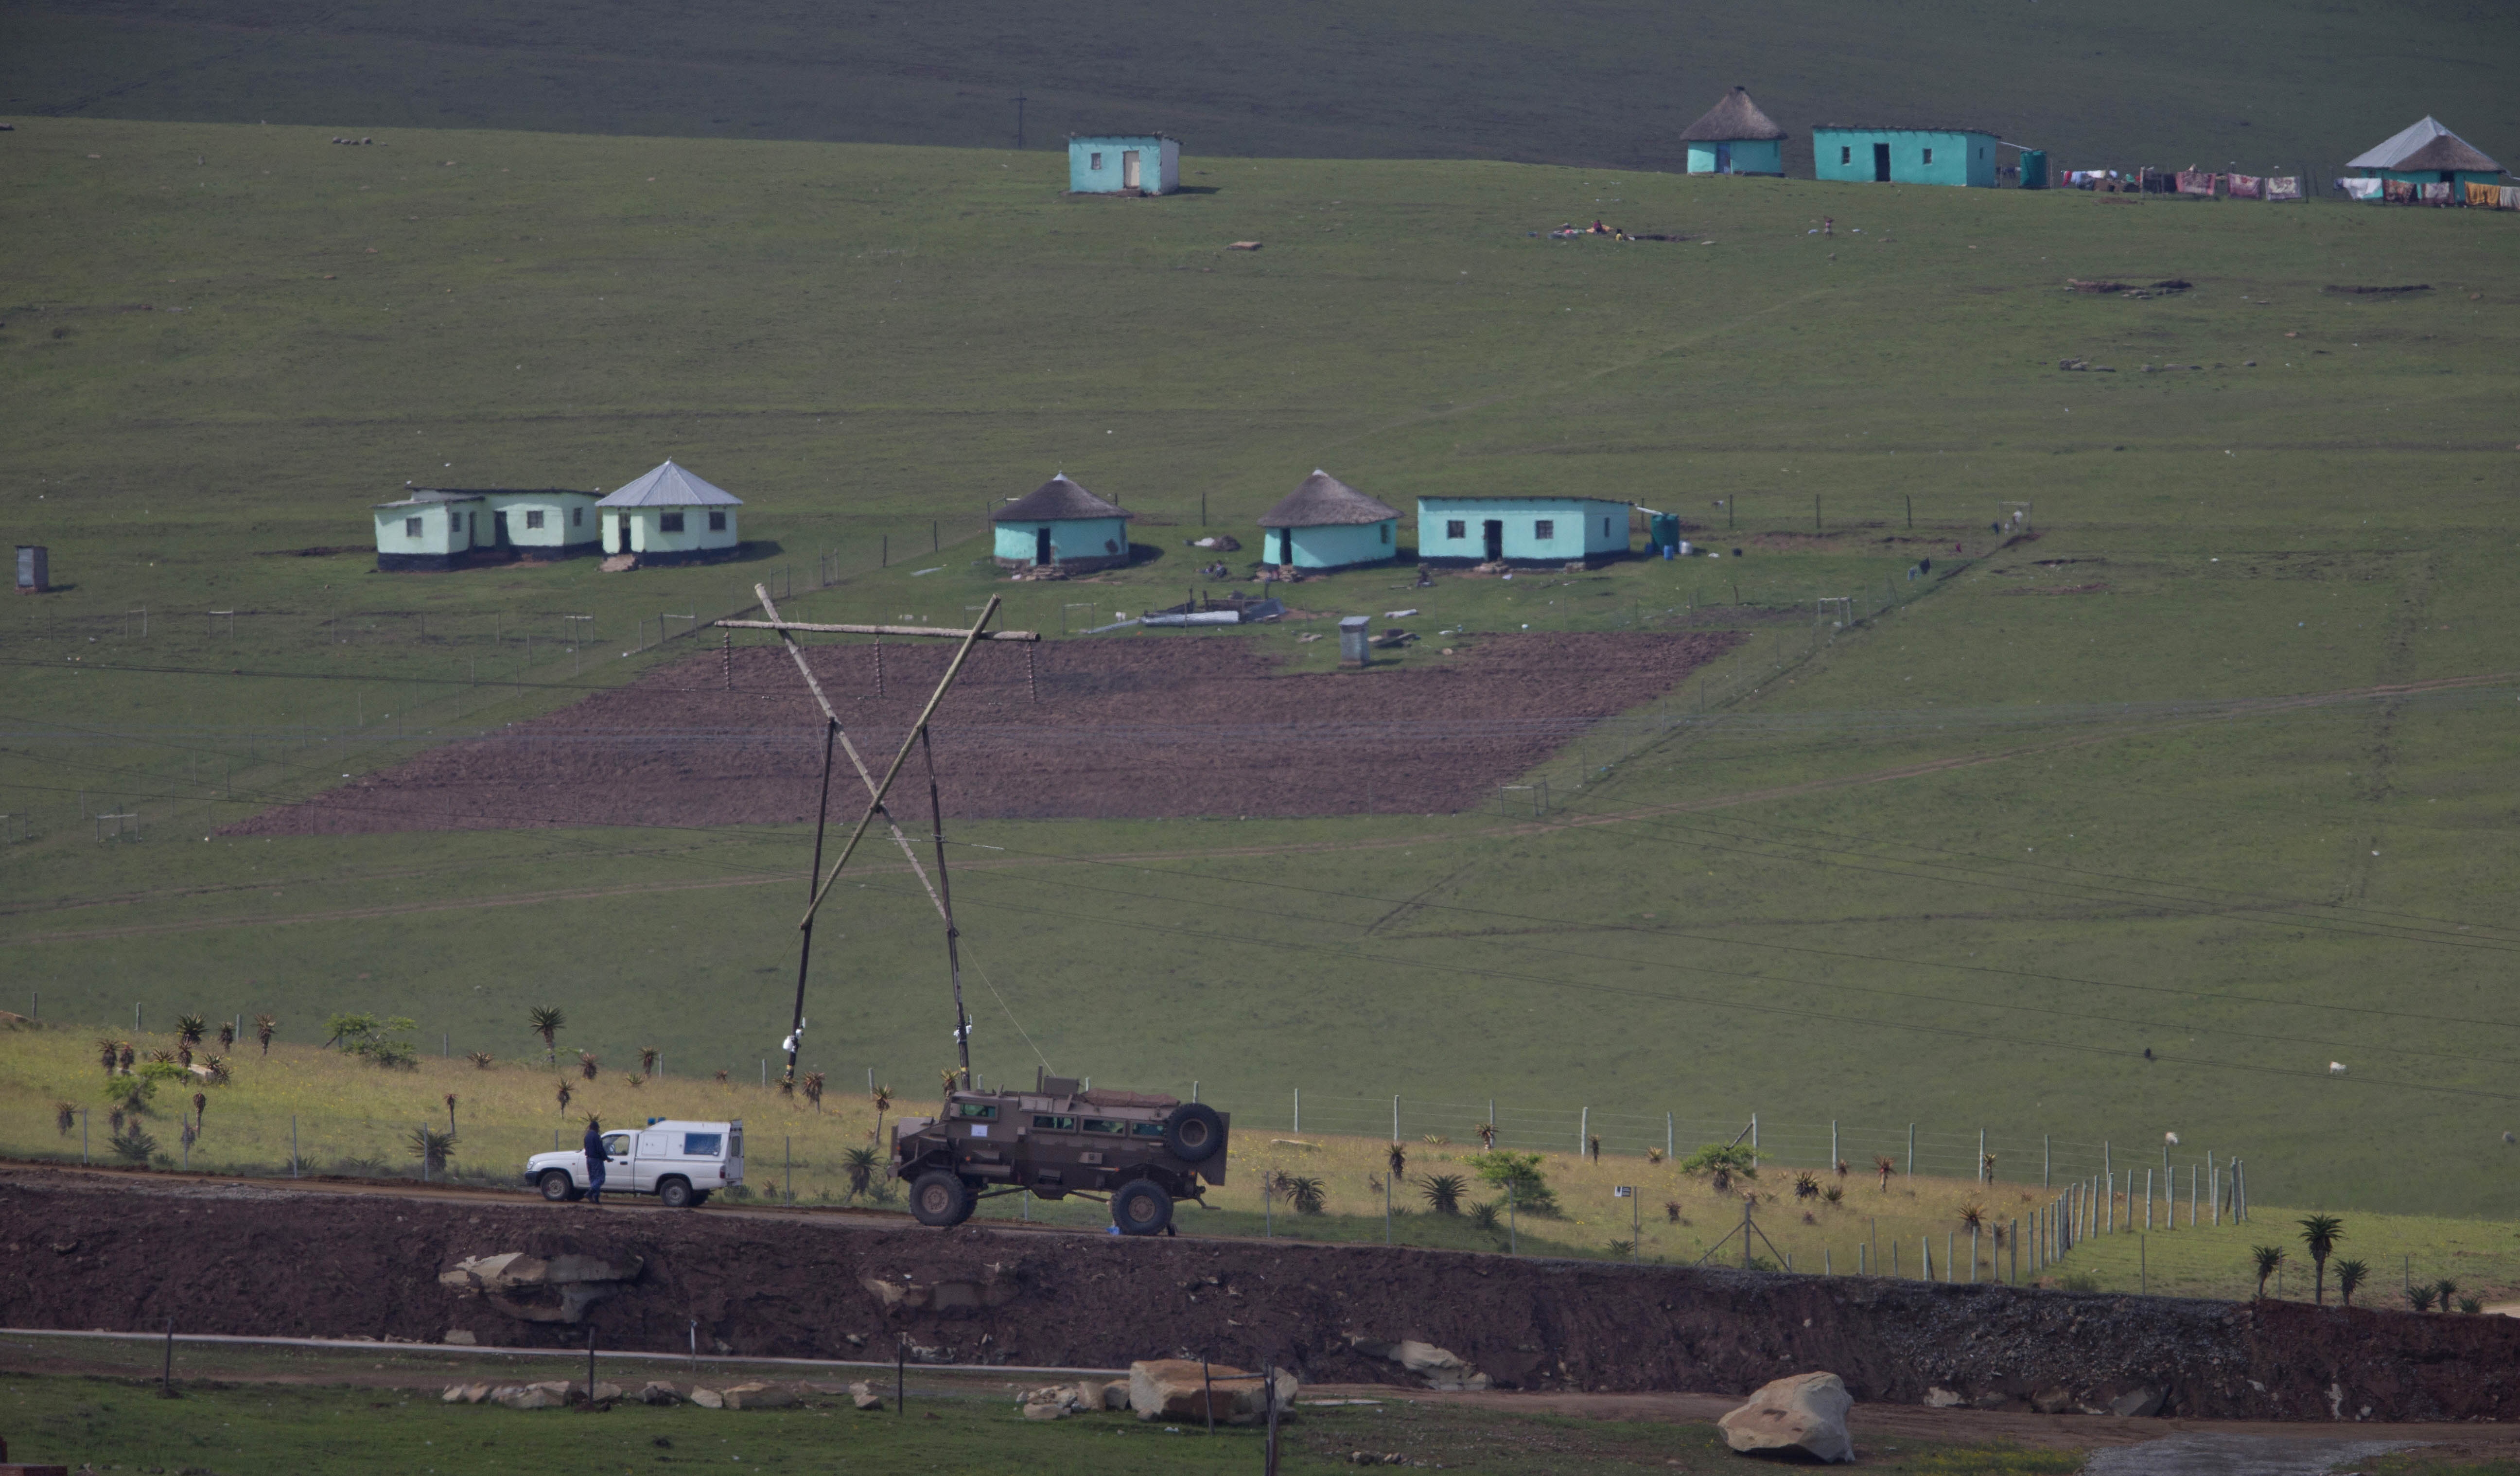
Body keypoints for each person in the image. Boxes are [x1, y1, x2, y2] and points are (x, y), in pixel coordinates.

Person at [582, 1118, 610, 1205]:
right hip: (596, 1160)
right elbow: (600, 1149)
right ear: (596, 1128)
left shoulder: (587, 1137)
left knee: (593, 1179)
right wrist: (606, 1158)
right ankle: (590, 1193)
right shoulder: (596, 1137)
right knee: (600, 1179)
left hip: (589, 1159)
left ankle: (596, 1198)